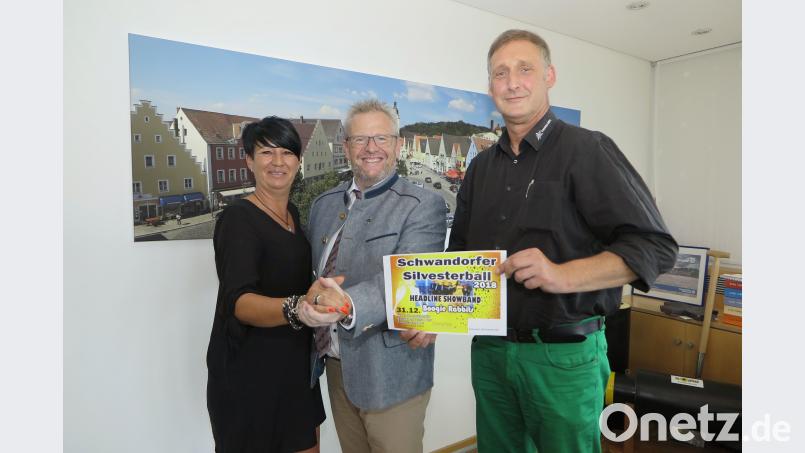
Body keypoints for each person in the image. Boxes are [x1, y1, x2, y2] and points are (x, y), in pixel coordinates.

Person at [447, 30, 678, 453]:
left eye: (524, 69)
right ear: (489, 87)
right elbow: (460, 256)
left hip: (564, 358)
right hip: (491, 354)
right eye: (500, 73)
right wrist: (428, 314)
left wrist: (561, 275)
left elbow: (654, 246)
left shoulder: (588, 150)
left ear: (549, 76)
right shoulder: (479, 169)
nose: (512, 81)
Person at [299, 99, 446, 453]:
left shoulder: (422, 205)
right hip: (335, 367)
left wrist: (346, 302)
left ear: (397, 145)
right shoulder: (323, 205)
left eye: (381, 138)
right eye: (360, 139)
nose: (370, 148)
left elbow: (407, 280)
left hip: (392, 371)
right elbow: (313, 278)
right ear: (346, 147)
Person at [206, 116, 342, 453]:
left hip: (296, 367)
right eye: (266, 152)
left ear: (298, 160)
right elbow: (238, 302)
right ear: (250, 161)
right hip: (249, 373)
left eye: (286, 152)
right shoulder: (238, 219)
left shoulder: (294, 215)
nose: (278, 162)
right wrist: (298, 308)